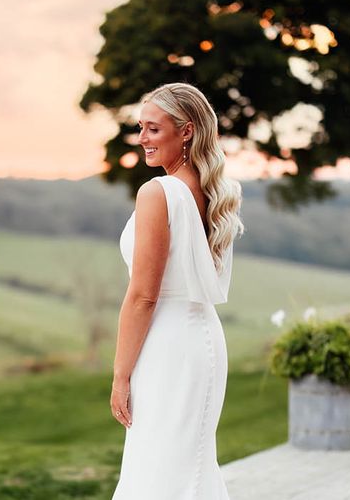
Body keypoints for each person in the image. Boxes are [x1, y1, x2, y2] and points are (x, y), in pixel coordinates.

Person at [110, 82, 243, 499]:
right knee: (188, 466)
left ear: (186, 131)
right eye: (140, 128)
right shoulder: (214, 191)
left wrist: (120, 374)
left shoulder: (159, 192)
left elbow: (143, 296)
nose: (142, 138)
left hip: (167, 347)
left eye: (153, 128)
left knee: (158, 471)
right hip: (201, 338)